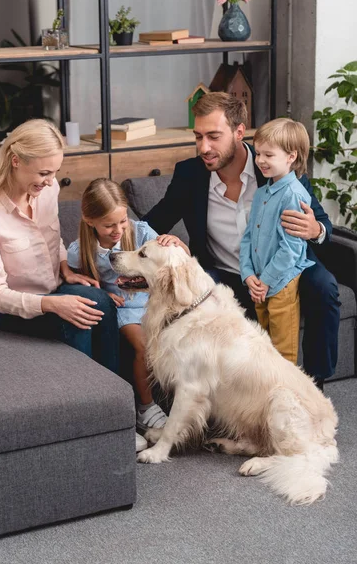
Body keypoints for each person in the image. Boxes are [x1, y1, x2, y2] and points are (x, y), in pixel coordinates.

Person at [143, 92, 340, 390]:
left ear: (239, 132)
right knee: (194, 295)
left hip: (285, 269)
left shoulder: (275, 167)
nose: (203, 147)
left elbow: (324, 226)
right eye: (198, 137)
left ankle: (314, 384)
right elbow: (151, 224)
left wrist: (315, 230)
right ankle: (205, 395)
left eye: (213, 136)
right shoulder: (190, 174)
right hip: (224, 273)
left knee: (324, 287)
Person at [0, 119, 119, 376]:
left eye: (54, 172)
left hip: (53, 289)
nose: (50, 181)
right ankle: (86, 400)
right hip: (2, 308)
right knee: (76, 319)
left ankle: (119, 394)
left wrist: (65, 269)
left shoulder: (48, 190)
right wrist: (52, 305)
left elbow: (53, 239)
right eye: (44, 173)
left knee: (99, 301)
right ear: (16, 161)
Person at [66, 178, 189, 450]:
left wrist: (178, 244)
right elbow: (71, 277)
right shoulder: (81, 250)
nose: (118, 230)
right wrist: (100, 293)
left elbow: (179, 261)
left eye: (122, 221)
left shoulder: (140, 232)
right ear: (90, 220)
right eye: (109, 225)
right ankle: (145, 407)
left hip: (150, 301)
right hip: (123, 308)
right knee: (144, 344)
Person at [239, 118, 316, 364]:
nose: (260, 160)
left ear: (291, 156)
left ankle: (289, 396)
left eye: (268, 155)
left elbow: (291, 250)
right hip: (259, 284)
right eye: (258, 153)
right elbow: (248, 237)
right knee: (265, 347)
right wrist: (248, 274)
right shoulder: (262, 193)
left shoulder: (293, 195)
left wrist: (264, 281)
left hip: (280, 283)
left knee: (283, 352)